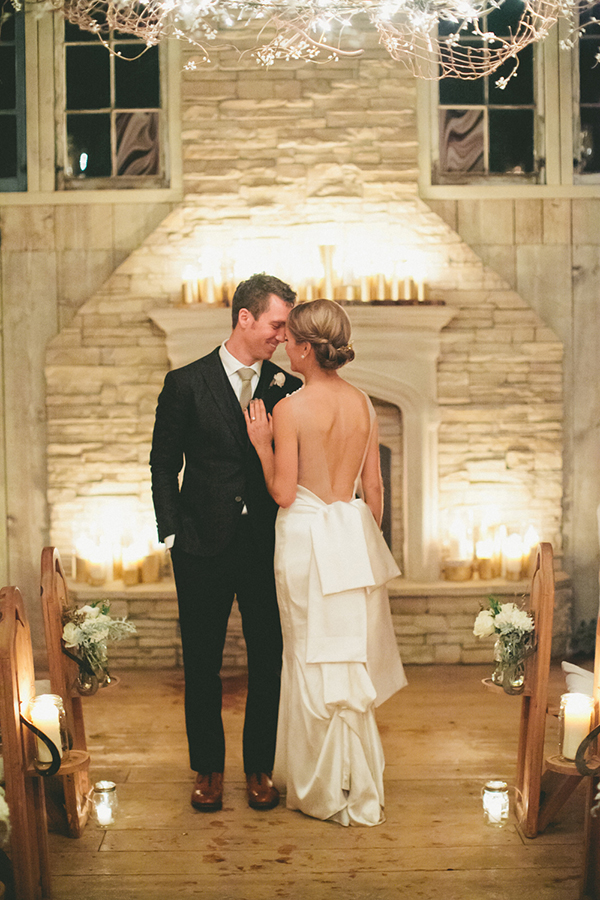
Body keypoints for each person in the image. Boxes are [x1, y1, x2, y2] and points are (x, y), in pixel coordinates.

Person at [245, 298, 407, 827]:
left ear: (306, 349)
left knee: (308, 655)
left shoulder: (290, 409)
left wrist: (262, 444)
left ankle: (319, 781)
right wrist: (360, 540)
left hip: (304, 540)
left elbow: (284, 493)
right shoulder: (365, 405)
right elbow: (374, 490)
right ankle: (353, 777)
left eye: (290, 340)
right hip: (350, 540)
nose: (284, 347)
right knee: (346, 658)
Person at [150, 273, 303, 813]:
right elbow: (163, 463)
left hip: (266, 545)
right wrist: (172, 531)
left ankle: (259, 767)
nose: (282, 337)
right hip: (199, 545)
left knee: (268, 659)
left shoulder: (287, 386)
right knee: (202, 664)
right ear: (245, 317)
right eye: (276, 325)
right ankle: (208, 769)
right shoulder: (185, 383)